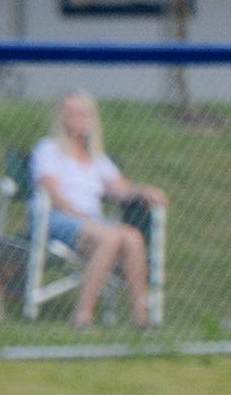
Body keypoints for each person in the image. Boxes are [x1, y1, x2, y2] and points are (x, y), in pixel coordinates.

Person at [30, 90, 167, 328]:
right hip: (56, 219)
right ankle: (83, 315)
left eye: (85, 114)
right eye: (73, 114)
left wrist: (144, 192)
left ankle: (142, 317)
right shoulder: (48, 149)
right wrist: (85, 218)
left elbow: (120, 189)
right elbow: (54, 195)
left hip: (93, 224)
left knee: (132, 237)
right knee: (110, 237)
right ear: (62, 119)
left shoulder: (97, 158)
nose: (81, 120)